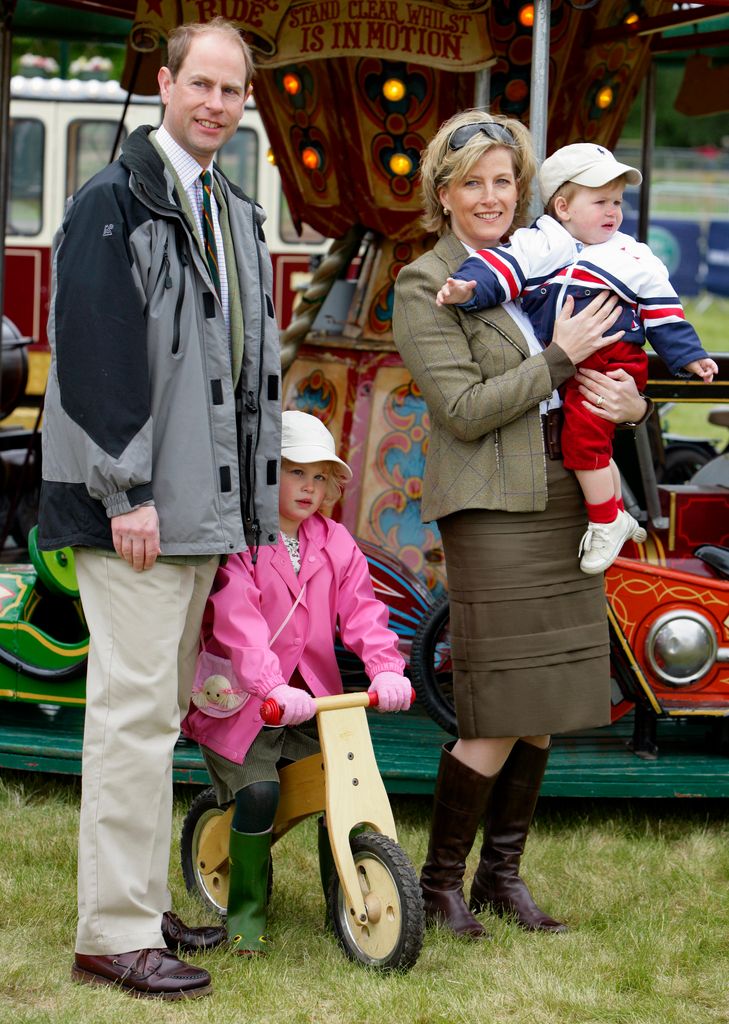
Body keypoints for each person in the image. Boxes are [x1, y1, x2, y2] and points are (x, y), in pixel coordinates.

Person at [38, 19, 282, 999]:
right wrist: (127, 491)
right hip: (132, 511)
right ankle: (113, 934)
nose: (218, 105)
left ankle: (136, 904)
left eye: (235, 91)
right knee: (131, 723)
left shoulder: (226, 203)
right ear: (167, 82)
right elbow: (95, 361)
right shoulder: (115, 199)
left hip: (193, 510)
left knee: (154, 719)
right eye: (203, 85)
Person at [393, 111, 652, 940]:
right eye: (472, 182)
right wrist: (559, 358)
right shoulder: (423, 281)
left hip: (563, 495)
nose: (491, 195)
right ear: (444, 195)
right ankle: (438, 886)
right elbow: (462, 410)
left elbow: (618, 355)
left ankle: (501, 877)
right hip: (492, 504)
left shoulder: (557, 257)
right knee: (498, 704)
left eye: (504, 180)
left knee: (539, 706)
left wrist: (632, 402)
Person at [181, 410, 412, 955]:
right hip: (244, 700)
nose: (309, 488)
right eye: (294, 473)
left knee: (346, 782)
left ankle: (346, 903)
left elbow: (363, 613)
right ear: (265, 475)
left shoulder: (334, 542)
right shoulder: (242, 543)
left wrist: (385, 668)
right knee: (261, 792)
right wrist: (268, 685)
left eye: (319, 477)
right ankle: (246, 919)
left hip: (309, 701)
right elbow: (239, 622)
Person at [437, 142, 718, 574]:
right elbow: (502, 270)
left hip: (612, 356)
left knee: (584, 439)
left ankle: (606, 520)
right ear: (563, 207)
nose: (613, 212)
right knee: (590, 441)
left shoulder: (631, 254)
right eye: (601, 201)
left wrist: (689, 356)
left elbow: (664, 310)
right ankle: (612, 515)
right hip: (568, 363)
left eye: (618, 202)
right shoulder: (540, 244)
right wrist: (468, 289)